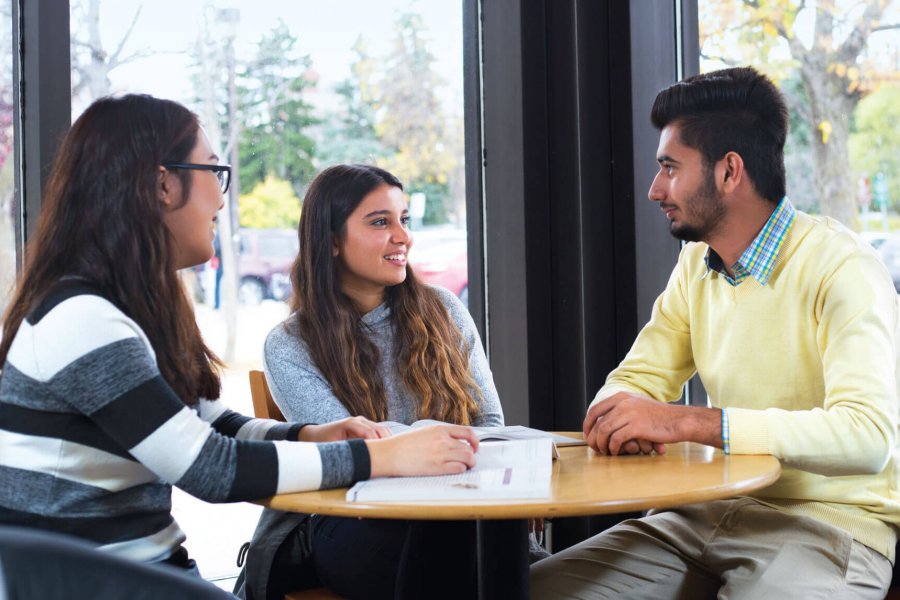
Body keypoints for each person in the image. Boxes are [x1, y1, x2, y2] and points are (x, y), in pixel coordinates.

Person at [0, 95, 480, 594]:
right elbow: (209, 467)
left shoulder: (119, 311)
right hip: (99, 584)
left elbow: (212, 424)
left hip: (140, 575)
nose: (222, 198)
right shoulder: (83, 320)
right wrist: (384, 457)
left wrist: (308, 436)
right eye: (213, 171)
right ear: (164, 184)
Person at [531, 67, 899, 598]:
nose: (655, 189)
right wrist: (620, 414)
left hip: (828, 525)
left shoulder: (842, 268)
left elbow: (867, 438)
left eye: (669, 168)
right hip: (700, 515)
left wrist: (685, 422)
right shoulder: (696, 265)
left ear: (729, 172)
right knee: (533, 590)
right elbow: (638, 377)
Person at [258, 163, 505, 598]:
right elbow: (351, 457)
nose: (403, 236)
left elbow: (490, 423)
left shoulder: (445, 310)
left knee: (480, 549)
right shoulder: (290, 343)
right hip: (353, 523)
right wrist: (437, 451)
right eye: (380, 222)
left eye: (404, 220)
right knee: (467, 556)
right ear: (331, 240)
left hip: (464, 512)